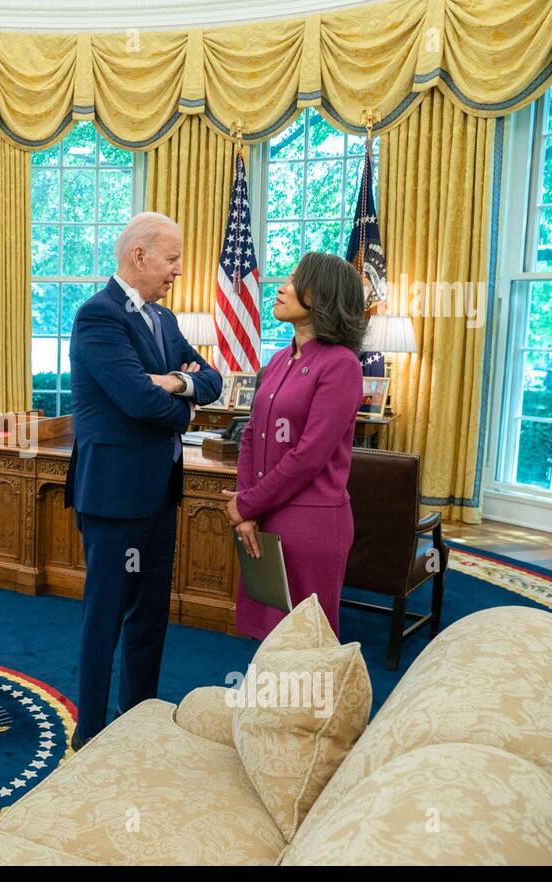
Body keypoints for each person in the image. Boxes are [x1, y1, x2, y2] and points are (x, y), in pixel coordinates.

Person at [64, 212, 223, 749]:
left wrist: (175, 381)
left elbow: (214, 380)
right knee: (104, 620)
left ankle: (138, 725)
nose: (178, 270)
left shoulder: (165, 319)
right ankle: (89, 737)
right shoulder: (97, 317)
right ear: (140, 256)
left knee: (152, 617)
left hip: (160, 492)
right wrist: (185, 408)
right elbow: (135, 399)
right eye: (173, 258)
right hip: (112, 496)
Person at [222, 251, 366, 638]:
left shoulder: (342, 365)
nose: (281, 287)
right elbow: (251, 434)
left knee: (304, 645)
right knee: (267, 638)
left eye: (293, 280)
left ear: (321, 295)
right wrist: (247, 507)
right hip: (263, 519)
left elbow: (309, 457)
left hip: (311, 526)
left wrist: (246, 504)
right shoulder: (278, 359)